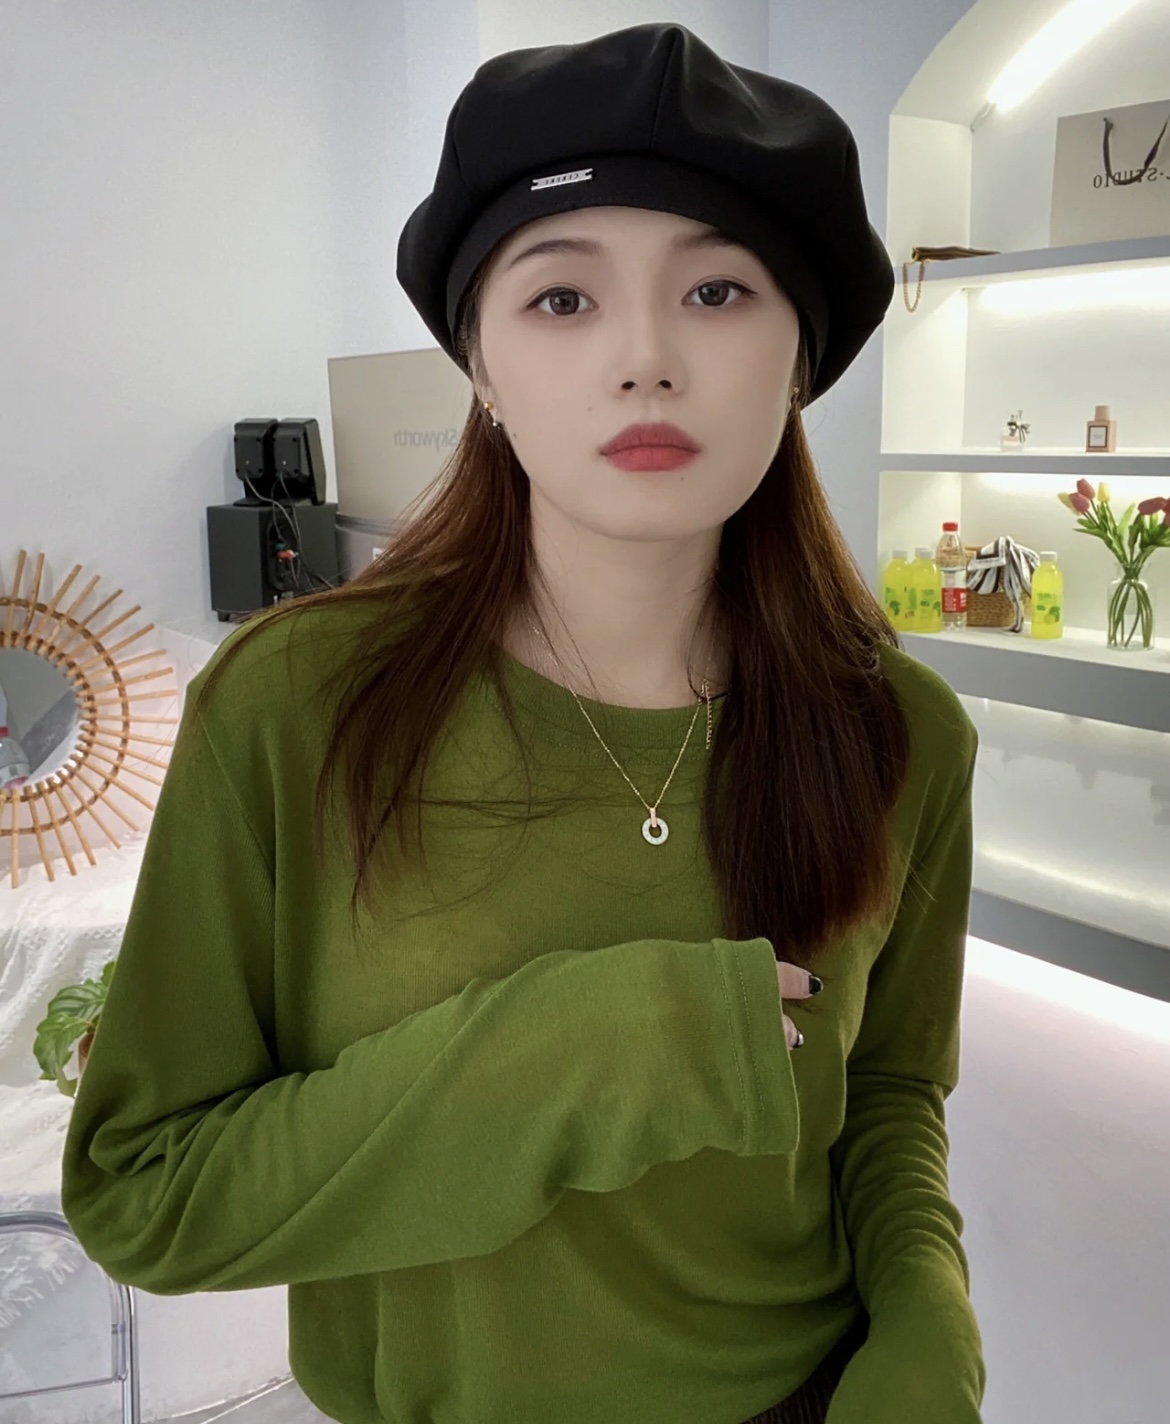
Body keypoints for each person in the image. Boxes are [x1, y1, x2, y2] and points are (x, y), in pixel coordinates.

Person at [60, 22, 986, 1424]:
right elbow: (148, 1195)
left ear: (799, 356)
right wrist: (590, 1048)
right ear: (479, 362)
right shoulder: (294, 707)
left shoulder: (903, 732)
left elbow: (892, 1090)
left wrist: (925, 1320)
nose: (645, 358)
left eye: (718, 290)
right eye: (562, 298)